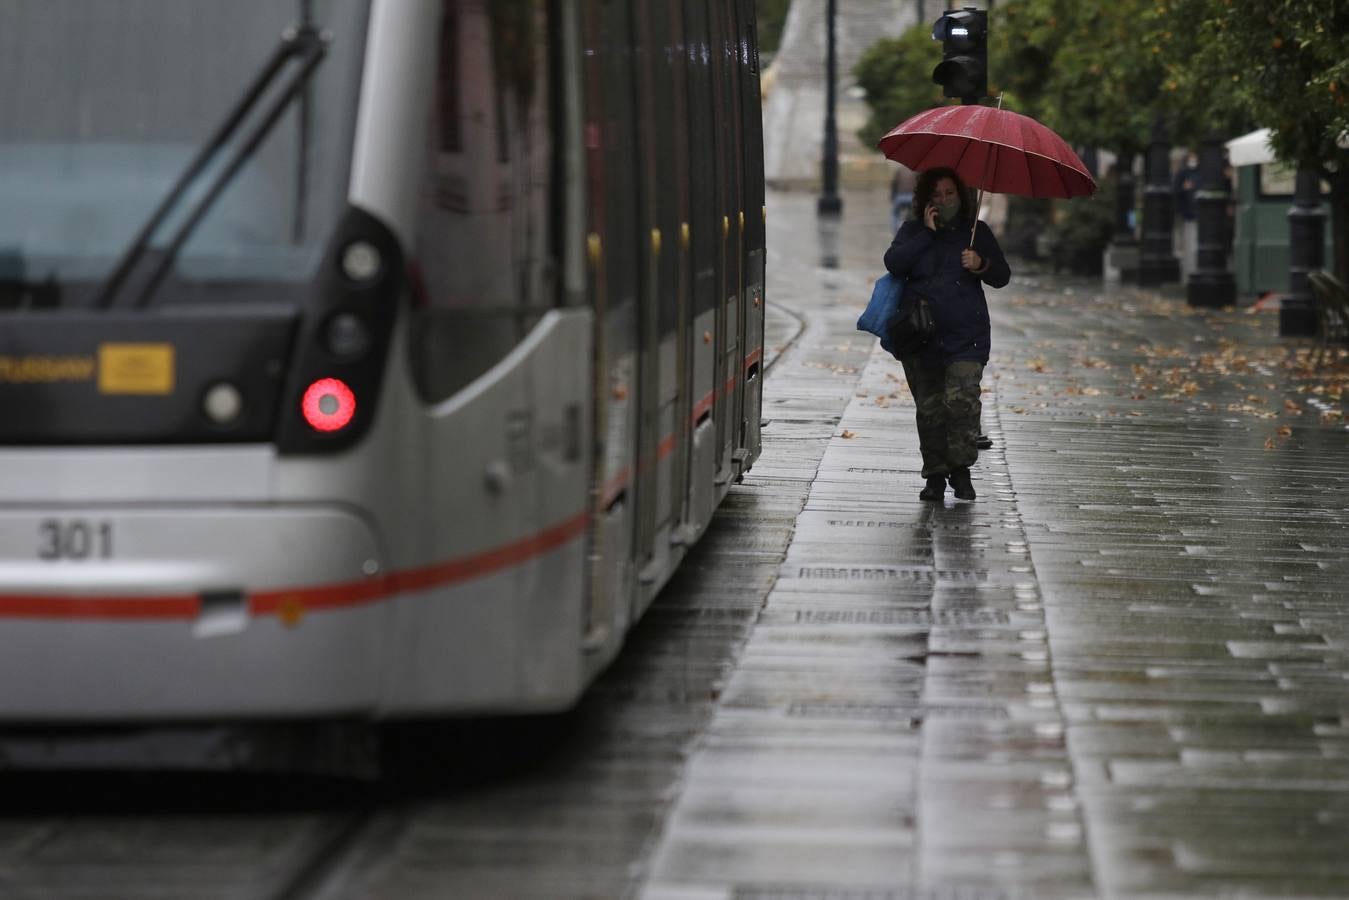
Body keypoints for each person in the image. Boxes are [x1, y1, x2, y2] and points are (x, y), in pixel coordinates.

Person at [884, 167, 1010, 502]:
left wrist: (980, 263)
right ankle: (935, 475)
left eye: (950, 193)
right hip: (920, 337)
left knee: (963, 405)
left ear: (962, 196)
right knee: (930, 409)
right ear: (926, 200)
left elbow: (1001, 276)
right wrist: (926, 234)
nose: (943, 200)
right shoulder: (912, 230)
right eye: (936, 195)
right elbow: (894, 262)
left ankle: (962, 470)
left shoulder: (976, 232)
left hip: (965, 337)